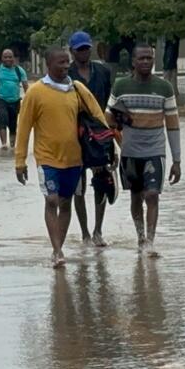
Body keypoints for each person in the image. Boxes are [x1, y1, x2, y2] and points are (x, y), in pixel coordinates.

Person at [14, 47, 112, 268]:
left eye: (67, 62)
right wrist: (19, 161)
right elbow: (23, 128)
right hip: (47, 159)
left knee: (66, 203)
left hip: (75, 159)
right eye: (61, 62)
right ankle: (57, 251)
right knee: (51, 200)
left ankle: (60, 245)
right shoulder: (35, 92)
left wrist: (108, 147)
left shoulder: (77, 89)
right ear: (48, 65)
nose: (66, 66)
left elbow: (97, 116)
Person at [107, 44, 181, 259]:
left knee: (152, 194)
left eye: (149, 58)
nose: (146, 62)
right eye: (142, 58)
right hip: (129, 151)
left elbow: (173, 124)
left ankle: (149, 241)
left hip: (155, 151)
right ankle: (139, 237)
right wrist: (121, 117)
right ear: (133, 61)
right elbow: (107, 118)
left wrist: (177, 160)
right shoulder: (121, 86)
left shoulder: (164, 88)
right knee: (136, 196)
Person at [66, 32, 117, 248]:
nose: (84, 52)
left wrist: (113, 135)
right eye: (80, 49)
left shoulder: (103, 72)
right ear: (72, 51)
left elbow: (109, 103)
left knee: (103, 181)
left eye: (87, 48)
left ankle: (98, 231)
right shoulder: (66, 74)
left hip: (100, 134)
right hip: (74, 134)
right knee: (79, 186)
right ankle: (85, 233)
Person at [0, 49, 29, 151]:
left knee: (13, 123)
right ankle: (3, 144)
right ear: (1, 58)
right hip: (1, 99)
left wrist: (29, 101)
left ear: (14, 58)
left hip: (15, 101)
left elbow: (26, 87)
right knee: (3, 119)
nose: (8, 59)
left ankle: (12, 146)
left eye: (10, 57)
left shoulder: (19, 71)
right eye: (5, 57)